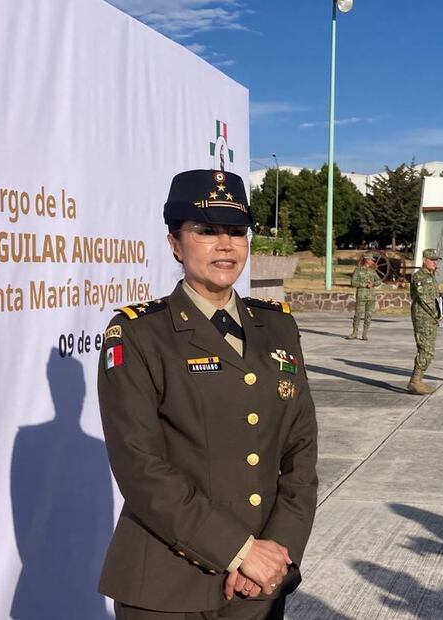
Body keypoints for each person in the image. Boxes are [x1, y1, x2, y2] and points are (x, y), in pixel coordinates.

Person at [97, 169, 318, 619]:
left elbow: (300, 450)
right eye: (206, 230)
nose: (226, 244)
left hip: (259, 586)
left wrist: (278, 549)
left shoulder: (276, 326)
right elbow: (140, 466)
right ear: (174, 243)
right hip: (166, 588)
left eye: (237, 232)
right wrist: (240, 551)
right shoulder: (139, 334)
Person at [408, 248, 442, 395]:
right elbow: (424, 298)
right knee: (426, 349)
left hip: (429, 316)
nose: (435, 262)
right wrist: (435, 313)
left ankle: (417, 380)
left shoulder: (430, 276)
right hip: (423, 316)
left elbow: (434, 298)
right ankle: (415, 381)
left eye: (436, 260)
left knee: (428, 349)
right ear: (424, 260)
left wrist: (439, 312)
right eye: (432, 259)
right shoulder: (419, 277)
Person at [348, 253, 382, 340]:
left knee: (369, 315)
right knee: (358, 314)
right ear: (367, 260)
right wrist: (364, 284)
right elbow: (353, 283)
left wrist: (373, 284)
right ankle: (354, 332)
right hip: (361, 296)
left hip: (371, 296)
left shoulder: (372, 271)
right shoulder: (358, 270)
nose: (372, 262)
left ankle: (365, 333)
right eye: (371, 260)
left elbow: (379, 281)